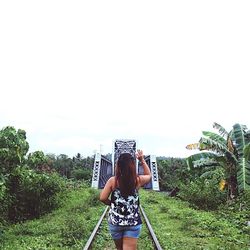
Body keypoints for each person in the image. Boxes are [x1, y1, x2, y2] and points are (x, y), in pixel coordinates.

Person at [100, 149, 152, 250]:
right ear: (132, 166)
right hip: (133, 222)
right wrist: (142, 160)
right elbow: (149, 176)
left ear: (118, 166)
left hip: (116, 221)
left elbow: (102, 198)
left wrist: (111, 204)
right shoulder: (137, 180)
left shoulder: (113, 181)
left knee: (119, 248)